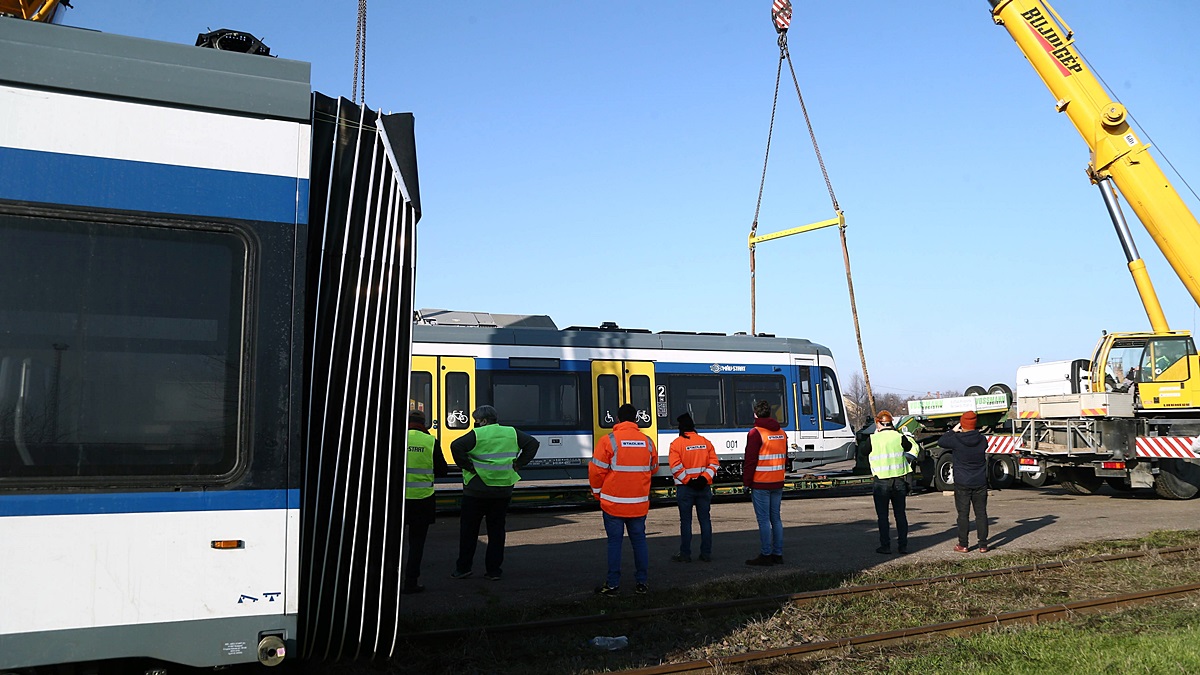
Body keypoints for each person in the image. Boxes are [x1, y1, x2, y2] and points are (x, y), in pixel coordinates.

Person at [449, 405, 540, 580]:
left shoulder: (478, 434)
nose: (475, 424)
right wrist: (519, 463)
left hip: (476, 490)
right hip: (502, 490)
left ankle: (463, 568)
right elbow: (533, 444)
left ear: (483, 421)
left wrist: (468, 466)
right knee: (497, 531)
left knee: (469, 531)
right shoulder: (511, 432)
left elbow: (456, 446)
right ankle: (493, 571)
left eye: (476, 421)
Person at [590, 403, 658, 595]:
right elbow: (653, 468)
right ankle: (642, 583)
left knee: (614, 543)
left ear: (618, 419)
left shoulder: (608, 441)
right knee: (639, 542)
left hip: (613, 504)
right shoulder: (647, 441)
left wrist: (597, 493)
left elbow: (596, 471)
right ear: (636, 419)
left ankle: (612, 584)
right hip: (638, 504)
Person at [402, 409, 449, 594]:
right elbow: (442, 471)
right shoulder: (430, 441)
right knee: (417, 544)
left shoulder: (396, 439)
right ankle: (411, 582)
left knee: (390, 543)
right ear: (423, 423)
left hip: (397, 501)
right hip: (423, 499)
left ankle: (386, 583)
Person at [668, 412, 720, 563]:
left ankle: (685, 555)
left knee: (686, 522)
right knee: (705, 521)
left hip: (685, 489)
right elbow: (714, 463)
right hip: (703, 488)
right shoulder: (705, 442)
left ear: (681, 428)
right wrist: (703, 479)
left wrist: (689, 481)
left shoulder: (676, 444)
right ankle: (706, 554)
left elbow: (675, 467)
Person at [938, 411, 990, 553]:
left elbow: (941, 441)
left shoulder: (956, 439)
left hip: (962, 482)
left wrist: (954, 430)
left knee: (963, 515)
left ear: (963, 423)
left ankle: (963, 544)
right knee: (981, 513)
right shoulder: (982, 440)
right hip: (979, 481)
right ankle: (983, 545)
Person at [743, 399, 787, 566]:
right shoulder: (781, 433)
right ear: (770, 413)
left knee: (763, 520)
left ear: (755, 414)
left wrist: (746, 482)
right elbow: (785, 457)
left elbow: (750, 460)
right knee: (776, 519)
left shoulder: (756, 433)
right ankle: (778, 554)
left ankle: (765, 554)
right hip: (777, 482)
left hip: (761, 483)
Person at [868, 410, 916, 555]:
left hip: (881, 482)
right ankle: (903, 546)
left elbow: (863, 452)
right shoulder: (899, 437)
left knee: (883, 517)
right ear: (891, 423)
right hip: (899, 482)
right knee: (900, 515)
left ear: (878, 423)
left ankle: (885, 546)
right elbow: (908, 448)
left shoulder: (873, 439)